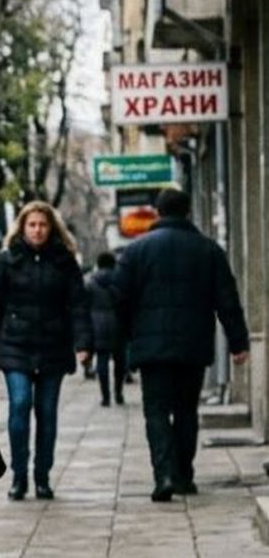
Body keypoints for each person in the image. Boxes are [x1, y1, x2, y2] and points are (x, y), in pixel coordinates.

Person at [115, 188, 249, 502]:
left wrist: (128, 338)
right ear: (188, 212)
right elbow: (227, 300)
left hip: (151, 349)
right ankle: (183, 475)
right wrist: (238, 342)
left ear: (157, 212)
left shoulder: (135, 251)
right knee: (187, 410)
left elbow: (120, 299)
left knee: (156, 411)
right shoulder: (209, 250)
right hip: (193, 344)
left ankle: (163, 475)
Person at [0, 201, 91, 502]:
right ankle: (19, 475)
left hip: (54, 345)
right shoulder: (8, 259)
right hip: (16, 344)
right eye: (32, 225)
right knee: (20, 404)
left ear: (52, 228)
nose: (37, 230)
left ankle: (42, 476)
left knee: (47, 412)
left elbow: (78, 304)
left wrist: (83, 343)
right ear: (23, 227)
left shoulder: (64, 261)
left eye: (43, 225)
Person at [87, 251, 126, 407]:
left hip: (97, 324)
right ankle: (119, 393)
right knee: (120, 360)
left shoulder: (91, 282)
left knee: (102, 360)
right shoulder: (120, 280)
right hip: (118, 323)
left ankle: (105, 397)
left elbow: (85, 304)